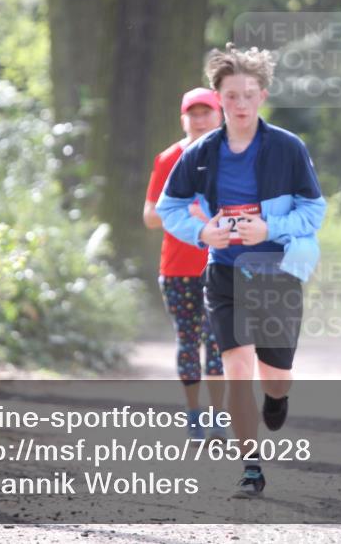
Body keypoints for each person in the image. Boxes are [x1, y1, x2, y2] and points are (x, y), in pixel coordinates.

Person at [156, 44, 326, 497]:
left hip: (276, 271)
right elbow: (169, 206)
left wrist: (268, 227)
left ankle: (277, 399)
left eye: (249, 94)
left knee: (275, 375)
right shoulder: (201, 153)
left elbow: (314, 211)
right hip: (225, 272)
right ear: (220, 99)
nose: (241, 103)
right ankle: (251, 468)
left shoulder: (288, 148)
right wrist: (202, 235)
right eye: (231, 95)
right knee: (237, 368)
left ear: (262, 96)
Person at [143, 87, 226, 440]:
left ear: (219, 115)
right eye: (193, 113)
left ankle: (219, 418)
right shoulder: (168, 159)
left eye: (206, 112)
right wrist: (181, 215)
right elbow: (149, 216)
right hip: (177, 268)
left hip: (221, 264)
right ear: (183, 118)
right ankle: (194, 415)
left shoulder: (233, 157)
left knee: (220, 343)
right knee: (188, 342)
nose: (200, 119)